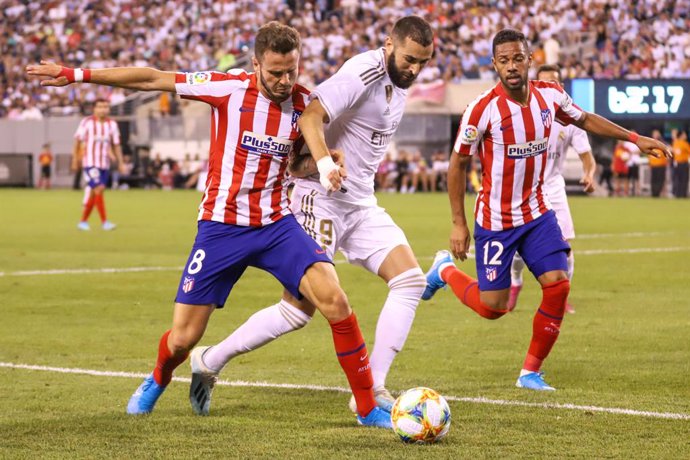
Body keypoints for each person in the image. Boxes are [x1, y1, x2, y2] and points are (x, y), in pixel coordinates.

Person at [26, 21, 391, 428]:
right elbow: (151, 78)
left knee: (335, 301)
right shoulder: (227, 88)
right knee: (183, 339)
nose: (285, 80)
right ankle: (157, 377)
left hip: (276, 225)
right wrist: (76, 75)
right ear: (255, 64)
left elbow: (294, 163)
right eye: (275, 72)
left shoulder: (305, 105)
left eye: (292, 70)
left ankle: (367, 407)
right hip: (221, 229)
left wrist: (322, 164)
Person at [189, 16, 434, 415]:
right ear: (389, 43)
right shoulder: (364, 70)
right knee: (297, 311)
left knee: (409, 281)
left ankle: (371, 388)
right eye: (410, 59)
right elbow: (310, 116)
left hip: (360, 202)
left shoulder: (398, 81)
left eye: (423, 62)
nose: (415, 69)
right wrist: (323, 166)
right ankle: (210, 359)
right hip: (318, 199)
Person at [421, 29, 672, 391]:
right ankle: (444, 269)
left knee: (558, 286)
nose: (511, 66)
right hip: (496, 221)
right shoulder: (482, 109)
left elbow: (585, 119)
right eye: (503, 60)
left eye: (518, 58)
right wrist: (458, 223)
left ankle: (530, 372)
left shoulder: (550, 96)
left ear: (529, 60)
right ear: (494, 65)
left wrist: (636, 138)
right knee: (493, 307)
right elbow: (457, 164)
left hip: (538, 214)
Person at [507, 64, 597, 314]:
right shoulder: (524, 114)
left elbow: (587, 157)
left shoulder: (571, 121)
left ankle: (561, 297)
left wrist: (588, 174)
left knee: (564, 247)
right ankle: (515, 282)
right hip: (523, 188)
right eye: (544, 82)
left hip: (554, 187)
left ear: (561, 87)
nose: (549, 87)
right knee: (517, 250)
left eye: (554, 83)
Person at [71, 98, 124, 230]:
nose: (103, 109)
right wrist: (74, 159)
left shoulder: (112, 124)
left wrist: (120, 162)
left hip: (104, 164)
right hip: (90, 163)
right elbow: (77, 141)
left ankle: (83, 221)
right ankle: (105, 222)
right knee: (98, 189)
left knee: (96, 193)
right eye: (100, 107)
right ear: (94, 108)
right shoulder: (86, 122)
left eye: (105, 107)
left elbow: (116, 145)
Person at [649, 129, 668, 198]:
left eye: (656, 134)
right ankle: (654, 193)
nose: (655, 135)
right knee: (653, 180)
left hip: (661, 165)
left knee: (660, 180)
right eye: (654, 134)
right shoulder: (650, 144)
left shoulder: (662, 144)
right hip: (653, 165)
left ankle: (658, 193)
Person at [671, 129, 689, 198]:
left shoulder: (676, 143)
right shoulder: (684, 143)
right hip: (681, 164)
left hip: (679, 164)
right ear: (681, 135)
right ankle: (681, 194)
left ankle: (680, 194)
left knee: (679, 179)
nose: (685, 136)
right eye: (684, 134)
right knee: (682, 179)